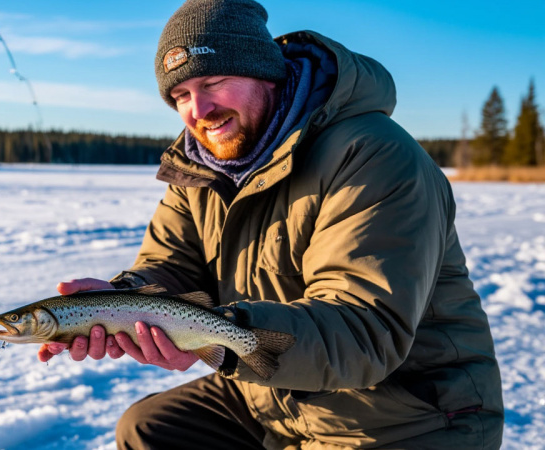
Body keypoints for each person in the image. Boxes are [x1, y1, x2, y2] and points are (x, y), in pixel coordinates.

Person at [39, 0, 504, 447]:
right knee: (149, 430)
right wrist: (120, 303)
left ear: (267, 71)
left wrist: (219, 333)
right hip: (274, 401)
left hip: (404, 417)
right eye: (181, 95)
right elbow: (173, 266)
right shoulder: (200, 167)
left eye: (214, 82)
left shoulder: (371, 154)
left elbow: (362, 332)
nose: (198, 112)